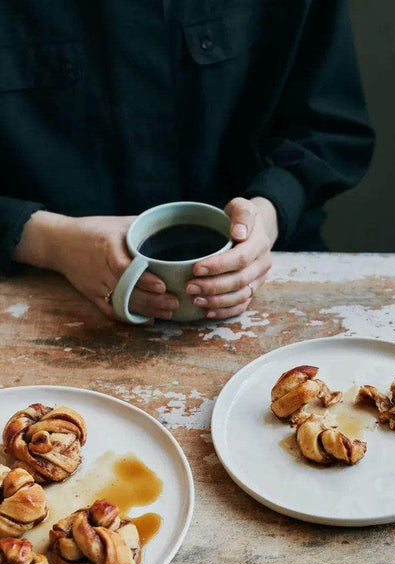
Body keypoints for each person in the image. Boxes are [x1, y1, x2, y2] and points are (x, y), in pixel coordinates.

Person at [0, 0, 375, 322]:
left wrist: (268, 212)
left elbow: (329, 126)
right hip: (36, 295)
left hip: (270, 287)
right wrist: (49, 242)